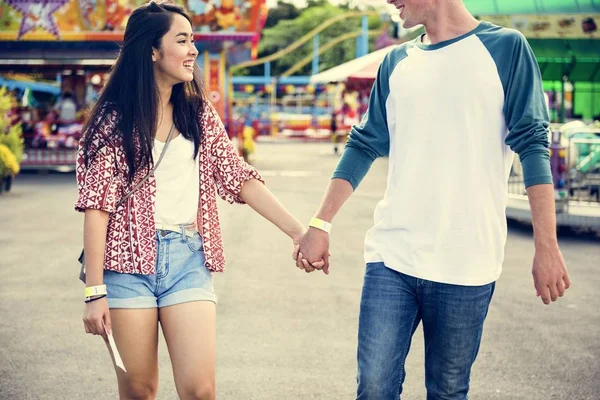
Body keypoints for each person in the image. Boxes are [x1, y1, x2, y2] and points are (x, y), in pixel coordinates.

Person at [296, 0, 572, 399]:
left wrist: (547, 246)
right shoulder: (396, 62)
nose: (389, 1)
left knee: (446, 391)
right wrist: (320, 223)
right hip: (392, 256)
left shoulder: (507, 49)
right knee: (373, 388)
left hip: (467, 262)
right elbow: (364, 143)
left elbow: (532, 145)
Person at [75, 2, 322, 399]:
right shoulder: (112, 119)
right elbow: (96, 208)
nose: (193, 50)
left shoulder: (197, 113)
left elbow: (238, 178)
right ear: (152, 51)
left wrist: (299, 232)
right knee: (140, 391)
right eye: (182, 40)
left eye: (194, 41)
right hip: (125, 266)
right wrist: (95, 291)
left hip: (188, 258)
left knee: (200, 390)